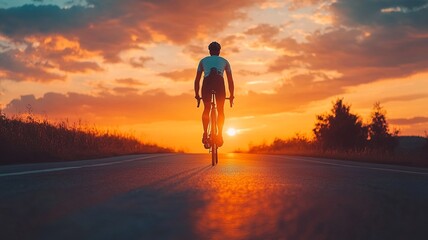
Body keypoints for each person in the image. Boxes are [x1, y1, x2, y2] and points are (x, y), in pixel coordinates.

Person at [194, 41, 234, 149]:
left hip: (207, 84)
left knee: (206, 108)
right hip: (219, 84)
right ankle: (220, 134)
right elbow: (230, 81)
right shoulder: (224, 61)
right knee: (220, 110)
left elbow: (197, 80)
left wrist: (197, 95)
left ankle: (205, 134)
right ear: (219, 51)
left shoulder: (203, 61)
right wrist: (231, 96)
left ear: (209, 51)